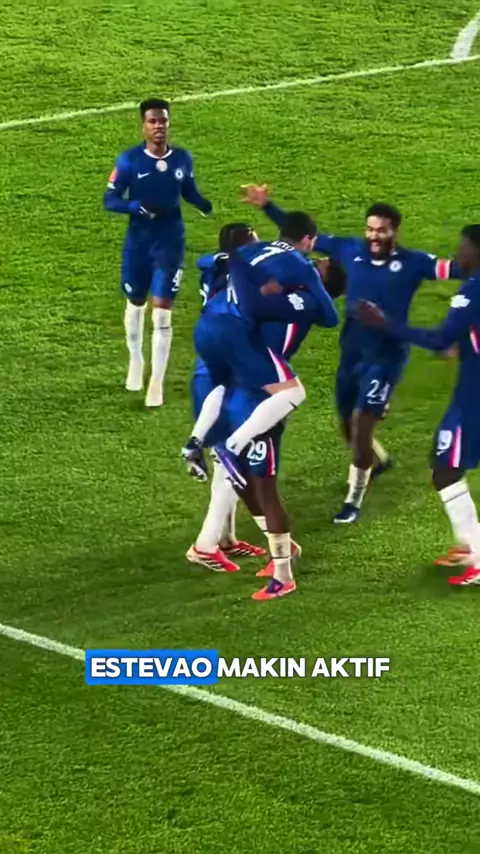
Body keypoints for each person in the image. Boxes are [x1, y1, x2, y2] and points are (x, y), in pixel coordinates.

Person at [241, 184, 458, 523]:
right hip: (352, 353)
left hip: (386, 358)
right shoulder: (348, 249)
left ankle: (353, 501)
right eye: (370, 229)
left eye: (381, 230)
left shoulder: (413, 262)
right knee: (347, 425)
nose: (374, 236)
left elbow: (456, 268)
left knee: (361, 425)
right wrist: (267, 206)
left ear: (394, 231)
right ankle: (378, 461)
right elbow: (302, 236)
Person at [356, 224, 480, 585]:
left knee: (445, 468)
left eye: (464, 247)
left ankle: (476, 551)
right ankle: (468, 542)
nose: (458, 253)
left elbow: (440, 338)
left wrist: (387, 324)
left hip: (473, 397)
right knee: (445, 462)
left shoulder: (471, 291)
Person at [182, 212, 338, 489]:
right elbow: (330, 317)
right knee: (293, 392)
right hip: (235, 331)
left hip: (205, 327)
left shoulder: (242, 253)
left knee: (224, 384)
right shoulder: (300, 265)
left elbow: (208, 261)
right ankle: (232, 446)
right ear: (307, 241)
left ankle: (194, 442)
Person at [103, 98, 212, 407]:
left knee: (162, 312)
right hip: (139, 244)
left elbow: (187, 189)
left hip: (170, 242)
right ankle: (136, 360)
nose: (159, 126)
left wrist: (203, 204)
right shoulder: (129, 161)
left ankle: (156, 383)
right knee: (136, 303)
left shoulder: (182, 159)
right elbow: (110, 200)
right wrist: (134, 206)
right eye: (152, 121)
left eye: (163, 120)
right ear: (143, 126)